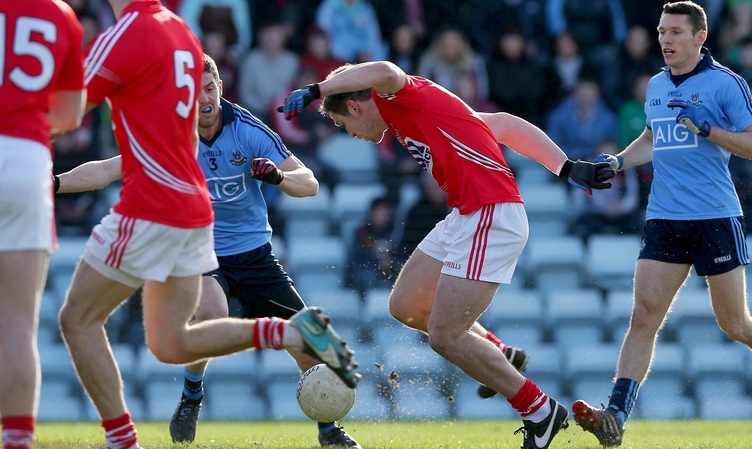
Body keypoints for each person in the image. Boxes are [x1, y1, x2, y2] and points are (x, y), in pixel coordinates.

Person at [55, 3, 358, 449]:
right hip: (202, 247)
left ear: (220, 87)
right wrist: (56, 182)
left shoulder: (247, 129)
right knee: (211, 315)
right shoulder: (174, 130)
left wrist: (276, 176)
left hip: (253, 252)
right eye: (196, 91)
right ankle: (192, 394)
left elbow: (308, 184)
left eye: (211, 87)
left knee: (309, 349)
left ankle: (329, 429)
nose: (204, 99)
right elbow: (107, 169)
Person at [277, 60, 615, 449]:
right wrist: (566, 165)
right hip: (466, 214)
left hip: (491, 211)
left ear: (354, 107)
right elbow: (502, 124)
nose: (349, 134)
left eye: (343, 125)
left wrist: (316, 89)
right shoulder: (408, 114)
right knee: (405, 306)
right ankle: (500, 351)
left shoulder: (400, 95)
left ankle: (539, 411)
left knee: (444, 336)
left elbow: (385, 68)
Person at [571, 2, 752, 447]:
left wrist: (710, 130)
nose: (665, 40)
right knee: (642, 315)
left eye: (675, 32)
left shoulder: (727, 84)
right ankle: (615, 416)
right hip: (664, 217)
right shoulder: (656, 85)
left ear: (700, 38)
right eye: (661, 32)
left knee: (735, 324)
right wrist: (618, 161)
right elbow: (654, 137)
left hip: (715, 216)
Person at [0, 2, 84, 448]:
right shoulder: (58, 14)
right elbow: (69, 115)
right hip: (25, 157)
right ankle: (16, 442)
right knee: (16, 324)